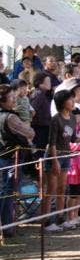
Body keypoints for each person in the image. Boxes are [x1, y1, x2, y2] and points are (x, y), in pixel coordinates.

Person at [43, 90, 80, 232]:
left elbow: (73, 138)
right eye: (70, 100)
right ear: (62, 103)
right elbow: (52, 142)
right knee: (51, 189)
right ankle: (47, 221)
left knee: (63, 188)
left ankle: (61, 219)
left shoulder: (73, 118)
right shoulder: (56, 119)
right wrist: (54, 160)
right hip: (55, 156)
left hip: (67, 155)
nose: (73, 102)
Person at [0, 84, 35, 237]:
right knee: (9, 193)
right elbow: (29, 132)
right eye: (11, 98)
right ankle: (7, 227)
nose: (15, 100)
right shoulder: (10, 117)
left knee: (6, 192)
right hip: (11, 159)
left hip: (3, 157)